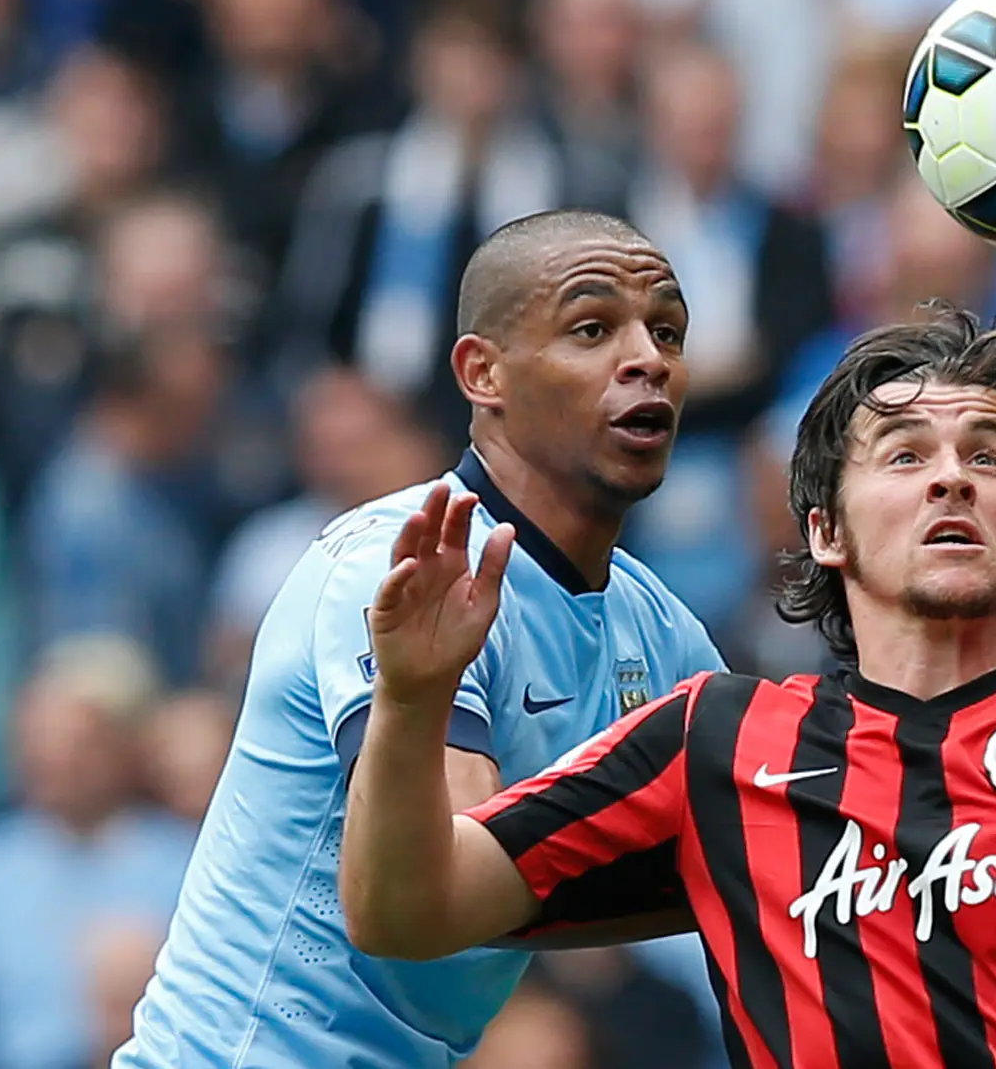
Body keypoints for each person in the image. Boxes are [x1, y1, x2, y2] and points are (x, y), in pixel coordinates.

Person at [342, 306, 996, 1068]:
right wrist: (412, 701)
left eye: (988, 455)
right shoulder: (715, 738)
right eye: (904, 455)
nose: (951, 476)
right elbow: (405, 908)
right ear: (825, 533)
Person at [111, 210, 728, 1067]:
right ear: (484, 374)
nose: (648, 358)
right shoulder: (397, 566)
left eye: (666, 330)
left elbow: (763, 840)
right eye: (592, 329)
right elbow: (442, 874)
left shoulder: (658, 629)